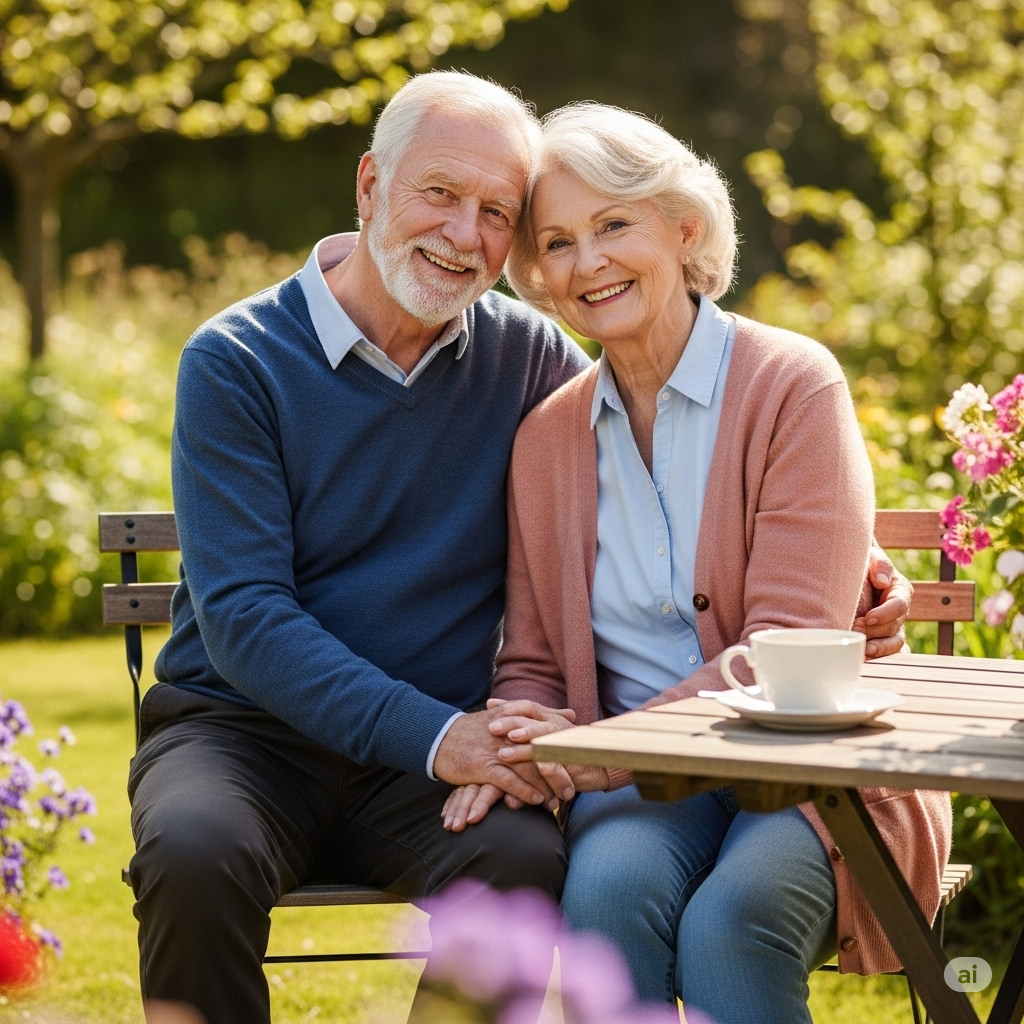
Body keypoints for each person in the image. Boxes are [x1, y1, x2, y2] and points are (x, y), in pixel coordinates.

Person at [129, 72, 911, 1024]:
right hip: (246, 733)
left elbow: (686, 459)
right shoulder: (236, 360)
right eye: (441, 195)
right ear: (371, 186)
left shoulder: (528, 363)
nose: (465, 234)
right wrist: (448, 736)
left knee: (520, 861)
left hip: (440, 757)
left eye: (497, 212)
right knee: (193, 854)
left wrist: (857, 583)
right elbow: (246, 617)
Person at [441, 103, 951, 1024]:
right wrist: (524, 733)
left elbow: (786, 649)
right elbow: (536, 659)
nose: (587, 261)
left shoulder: (794, 385)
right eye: (556, 243)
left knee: (733, 922)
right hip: (638, 787)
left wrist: (592, 755)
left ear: (682, 229)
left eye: (613, 224)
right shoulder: (546, 440)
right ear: (539, 281)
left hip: (807, 770)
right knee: (603, 903)